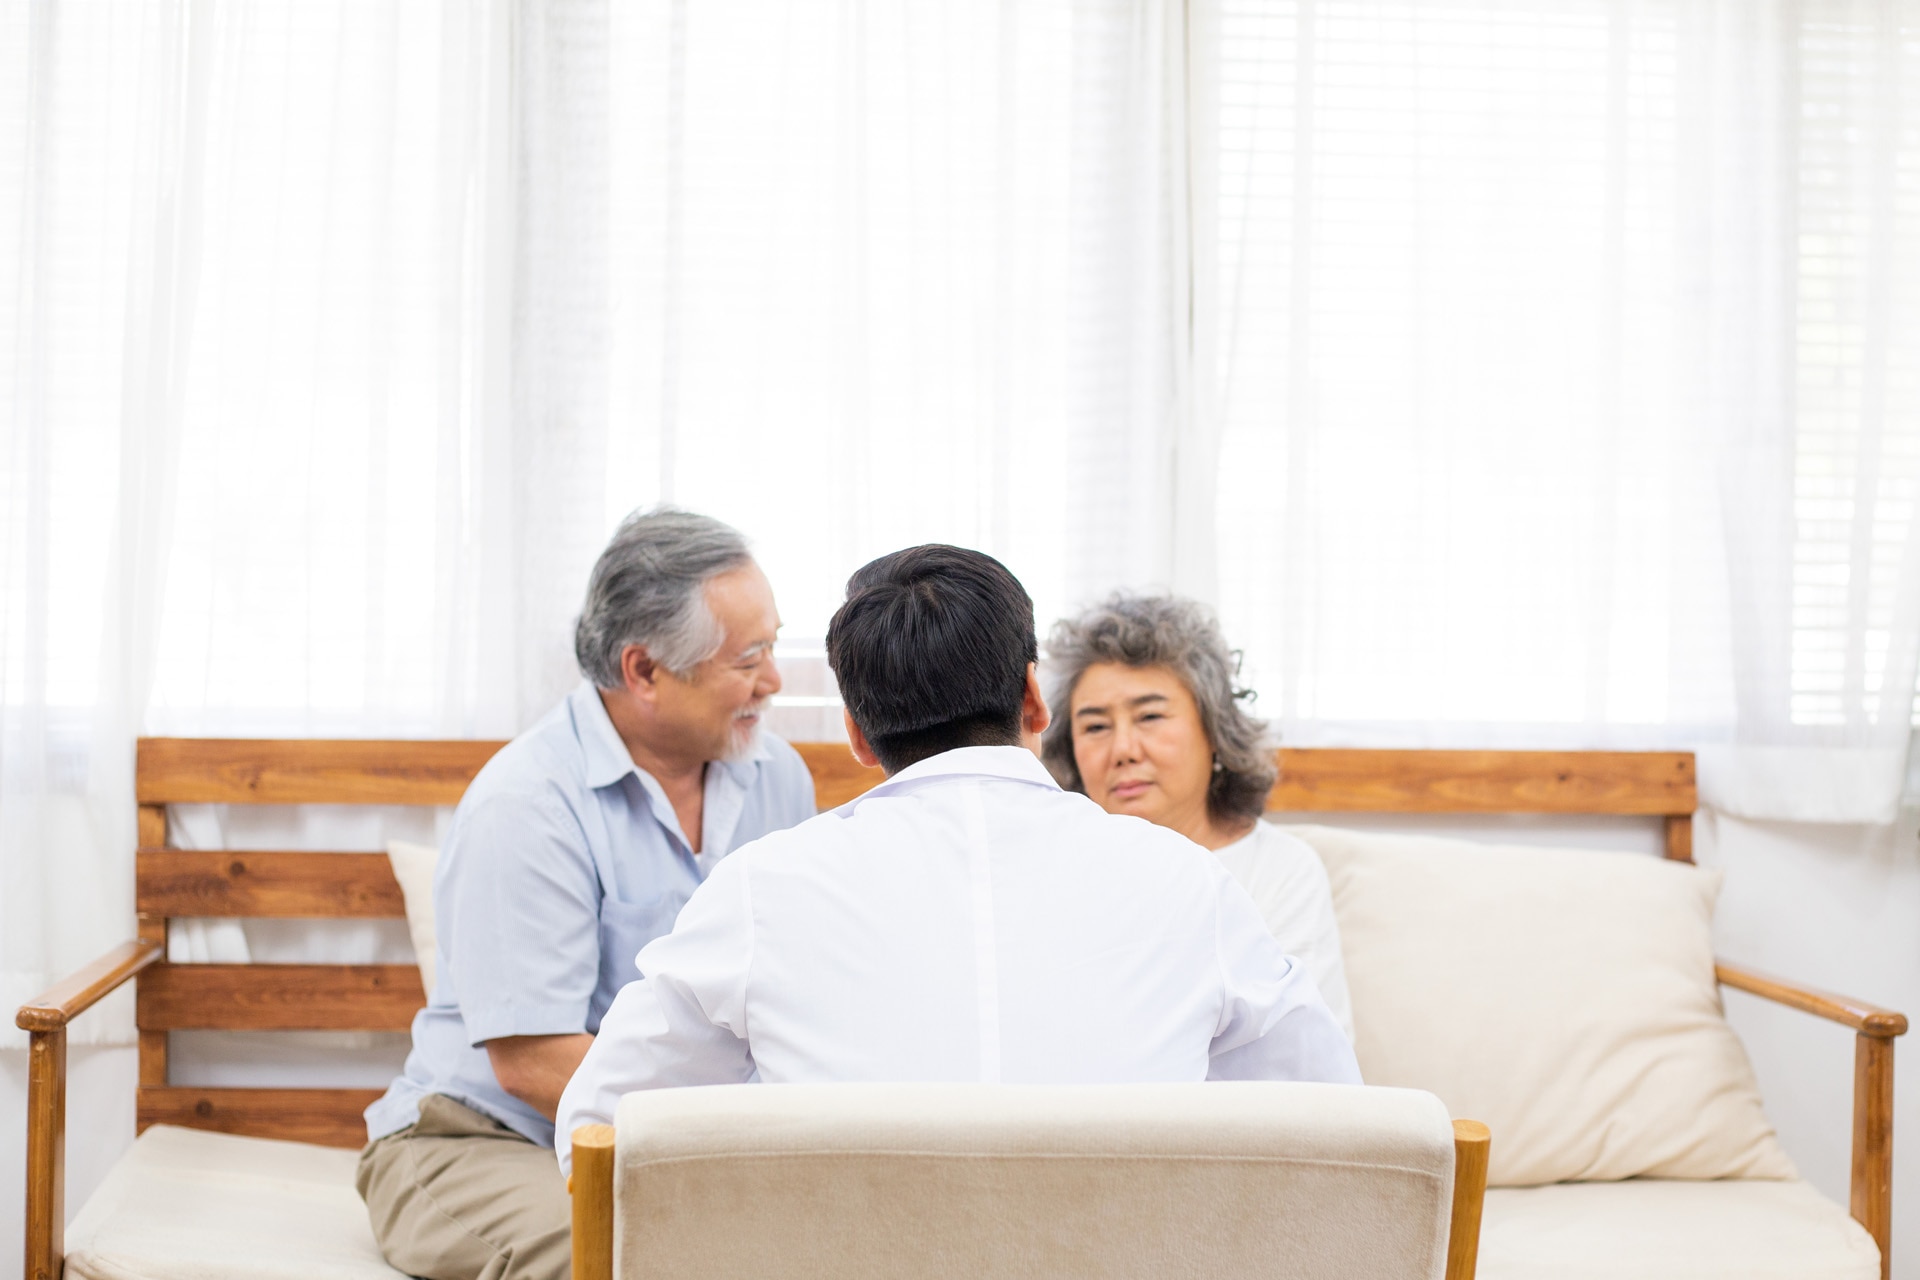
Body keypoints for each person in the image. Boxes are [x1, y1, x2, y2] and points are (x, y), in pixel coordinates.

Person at [555, 545, 1359, 1174]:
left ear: (859, 736)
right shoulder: (1186, 883)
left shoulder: (763, 890)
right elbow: (1331, 1119)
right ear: (1036, 701)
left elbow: (598, 1132)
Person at [357, 508, 817, 1280]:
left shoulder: (779, 779)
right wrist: (721, 1144)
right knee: (631, 1256)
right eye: (750, 657)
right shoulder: (527, 803)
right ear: (644, 672)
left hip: (661, 1142)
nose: (773, 681)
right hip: (477, 1141)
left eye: (772, 645)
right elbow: (532, 1062)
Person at [1041, 593, 1354, 1041]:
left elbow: (1309, 1058)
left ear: (1214, 729)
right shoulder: (1058, 871)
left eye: (1150, 716)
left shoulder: (1282, 870)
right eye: (1095, 726)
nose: (1124, 750)